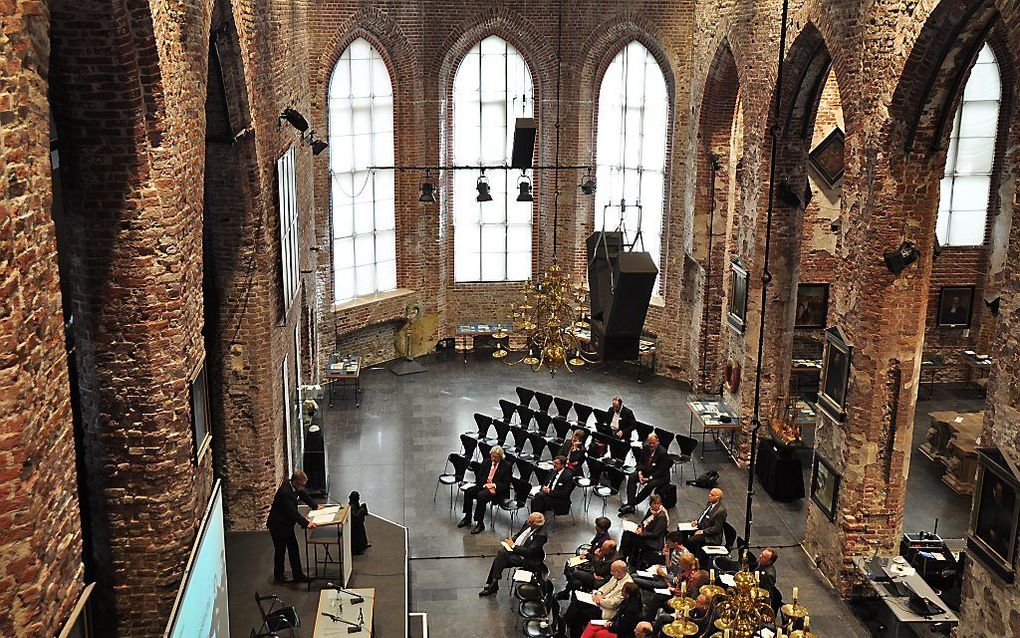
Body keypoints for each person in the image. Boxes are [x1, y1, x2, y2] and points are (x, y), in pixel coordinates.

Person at [266, 469, 319, 583]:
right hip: (278, 526)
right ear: (295, 482)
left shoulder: (293, 486)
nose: (303, 487)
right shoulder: (286, 492)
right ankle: (279, 576)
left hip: (286, 525)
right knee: (281, 550)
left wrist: (315, 506)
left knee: (293, 549)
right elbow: (292, 512)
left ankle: (297, 575)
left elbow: (303, 494)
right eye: (302, 485)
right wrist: (306, 523)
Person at [478, 512, 548, 595]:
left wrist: (513, 547)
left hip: (527, 558)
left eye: (530, 522)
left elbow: (528, 552)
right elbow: (519, 535)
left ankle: (493, 583)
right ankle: (494, 582)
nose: (527, 522)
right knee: (501, 554)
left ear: (536, 524)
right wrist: (512, 540)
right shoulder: (528, 524)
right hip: (517, 549)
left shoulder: (541, 535)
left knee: (501, 556)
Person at [564, 560, 633, 638]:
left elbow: (613, 603)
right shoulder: (616, 576)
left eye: (613, 571)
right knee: (577, 603)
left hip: (607, 610)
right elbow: (605, 587)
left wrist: (599, 600)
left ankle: (565, 625)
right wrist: (599, 593)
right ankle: (568, 628)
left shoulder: (627, 585)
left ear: (619, 572)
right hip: (599, 602)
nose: (611, 573)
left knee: (581, 612)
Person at [459, 445, 511, 534]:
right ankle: (467, 517)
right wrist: (485, 485)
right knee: (469, 491)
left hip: (496, 490)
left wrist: (493, 485)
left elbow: (506, 484)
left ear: (500, 457)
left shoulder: (506, 466)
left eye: (495, 457)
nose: (493, 458)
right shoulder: (487, 462)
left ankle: (480, 523)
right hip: (483, 486)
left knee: (481, 496)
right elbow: (479, 477)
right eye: (492, 456)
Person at [619, 434, 670, 514]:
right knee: (632, 477)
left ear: (657, 442)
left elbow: (662, 470)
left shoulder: (662, 453)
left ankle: (632, 504)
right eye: (649, 443)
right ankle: (631, 503)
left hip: (659, 476)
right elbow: (640, 462)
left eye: (653, 443)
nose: (651, 445)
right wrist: (640, 473)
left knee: (650, 485)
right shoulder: (646, 448)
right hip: (647, 471)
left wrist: (649, 478)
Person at [619, 494, 669, 567]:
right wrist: (640, 527)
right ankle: (625, 556)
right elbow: (643, 522)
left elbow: (655, 534)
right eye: (654, 503)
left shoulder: (661, 517)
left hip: (652, 542)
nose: (656, 505)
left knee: (628, 536)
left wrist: (642, 534)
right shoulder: (650, 510)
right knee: (627, 534)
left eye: (658, 503)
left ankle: (623, 556)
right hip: (645, 535)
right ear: (650, 504)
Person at [579, 582, 643, 638]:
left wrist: (610, 626)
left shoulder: (632, 609)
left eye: (623, 590)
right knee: (591, 624)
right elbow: (618, 615)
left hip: (621, 634)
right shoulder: (626, 601)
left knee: (599, 634)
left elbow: (624, 628)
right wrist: (610, 622)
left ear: (627, 594)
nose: (621, 591)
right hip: (614, 624)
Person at [684, 488, 726, 557]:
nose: (709, 495)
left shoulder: (720, 511)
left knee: (691, 540)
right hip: (704, 527)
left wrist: (702, 531)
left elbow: (717, 529)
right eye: (710, 494)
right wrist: (697, 522)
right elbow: (704, 515)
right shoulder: (710, 503)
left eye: (712, 495)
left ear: (717, 498)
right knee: (684, 533)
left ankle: (692, 558)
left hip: (712, 536)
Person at [348, 491, 370, 555]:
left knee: (362, 531)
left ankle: (364, 545)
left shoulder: (355, 504)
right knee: (358, 533)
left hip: (358, 524)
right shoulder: (351, 506)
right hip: (354, 526)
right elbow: (355, 517)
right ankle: (358, 550)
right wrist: (362, 510)